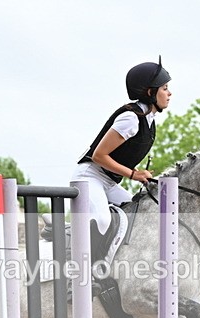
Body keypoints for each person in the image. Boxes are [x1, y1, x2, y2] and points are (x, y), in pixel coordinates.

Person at [73, 57, 172, 237]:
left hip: (109, 182)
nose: (169, 93)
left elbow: (121, 155)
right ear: (150, 92)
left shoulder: (148, 120)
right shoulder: (131, 118)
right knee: (102, 221)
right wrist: (134, 175)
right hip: (90, 177)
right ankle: (70, 240)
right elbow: (99, 156)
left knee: (140, 216)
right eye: (165, 89)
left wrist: (138, 172)